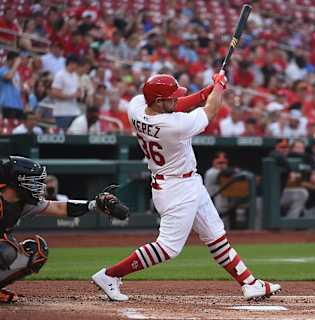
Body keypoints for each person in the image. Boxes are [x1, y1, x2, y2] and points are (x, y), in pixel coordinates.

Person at [91, 72, 281, 301]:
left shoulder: (136, 107)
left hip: (185, 182)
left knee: (215, 235)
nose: (175, 100)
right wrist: (219, 88)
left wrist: (203, 93)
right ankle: (110, 275)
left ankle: (250, 284)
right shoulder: (174, 126)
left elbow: (176, 104)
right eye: (169, 97)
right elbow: (210, 111)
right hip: (176, 188)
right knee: (168, 247)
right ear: (158, 101)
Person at [0, 156, 128, 303]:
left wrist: (93, 205)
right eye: (32, 182)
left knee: (35, 252)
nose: (38, 186)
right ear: (17, 183)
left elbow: (60, 207)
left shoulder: (21, 203)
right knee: (6, 249)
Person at [0, 51, 23, 119]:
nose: (18, 62)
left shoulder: (17, 72)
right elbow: (8, 77)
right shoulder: (2, 70)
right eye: (16, 60)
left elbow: (20, 88)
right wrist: (15, 65)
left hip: (18, 105)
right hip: (6, 104)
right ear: (10, 60)